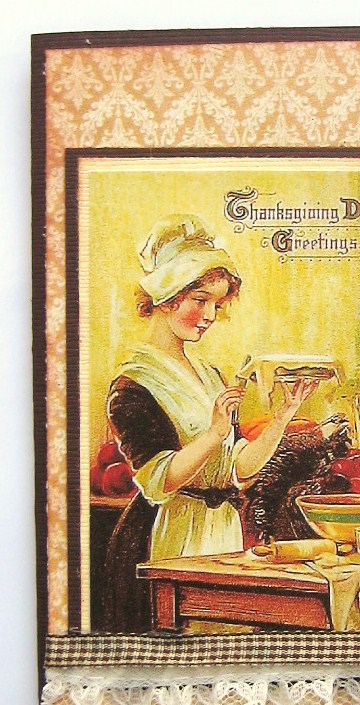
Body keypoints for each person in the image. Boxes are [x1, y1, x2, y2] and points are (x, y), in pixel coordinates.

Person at [101, 214, 315, 632]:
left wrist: (282, 417)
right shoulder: (133, 385)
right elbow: (159, 482)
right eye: (200, 300)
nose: (210, 315)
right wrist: (215, 432)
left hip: (220, 532)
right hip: (167, 534)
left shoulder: (210, 374)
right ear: (166, 298)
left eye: (216, 304)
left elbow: (237, 469)